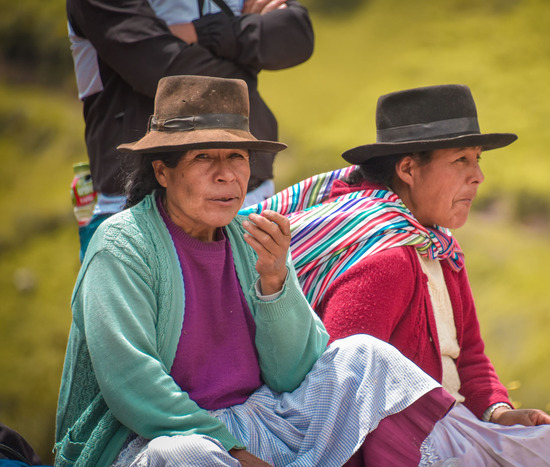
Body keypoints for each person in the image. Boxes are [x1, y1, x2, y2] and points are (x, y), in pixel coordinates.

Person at [243, 84, 550, 466]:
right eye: (461, 160)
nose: (478, 176)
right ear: (408, 169)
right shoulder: (385, 259)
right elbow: (342, 394)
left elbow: (470, 356)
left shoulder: (437, 247)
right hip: (419, 445)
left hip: (458, 431)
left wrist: (497, 412)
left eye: (476, 160)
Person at [54, 75, 464, 467]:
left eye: (237, 156)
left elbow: (295, 373)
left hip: (256, 421)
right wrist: (231, 452)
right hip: (150, 439)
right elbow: (133, 383)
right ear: (162, 171)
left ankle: (479, 448)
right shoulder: (124, 245)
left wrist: (275, 285)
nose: (226, 174)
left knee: (366, 357)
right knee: (184, 457)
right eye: (204, 157)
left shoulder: (248, 238)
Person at [67, 0, 314, 260]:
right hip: (140, 211)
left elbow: (297, 34)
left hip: (252, 201)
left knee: (268, 295)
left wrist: (202, 33)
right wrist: (245, 49)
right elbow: (164, 69)